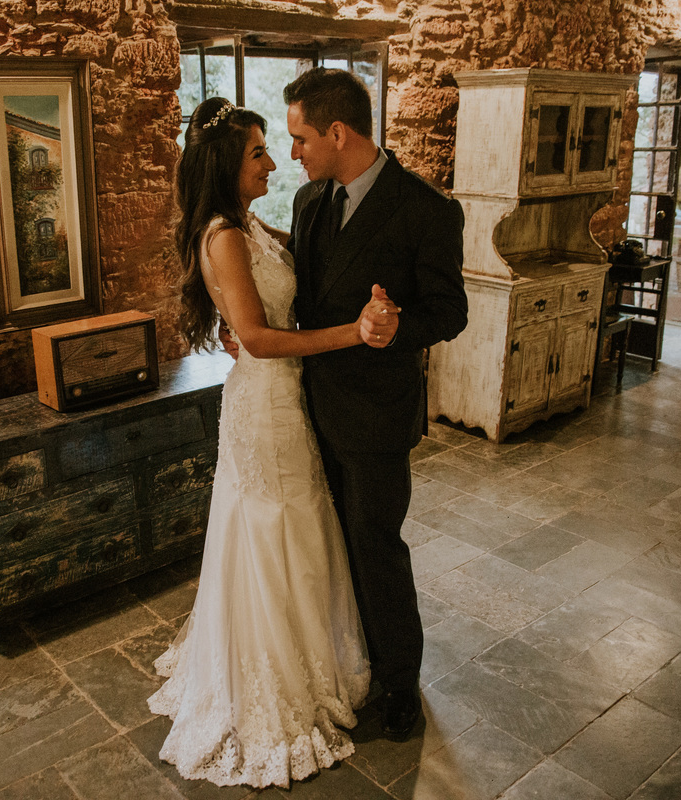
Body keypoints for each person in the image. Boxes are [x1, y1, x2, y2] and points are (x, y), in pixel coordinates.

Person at [146, 96, 397, 788]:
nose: (272, 160)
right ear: (229, 163)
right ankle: (271, 681)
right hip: (266, 406)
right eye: (259, 150)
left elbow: (296, 278)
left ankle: (309, 654)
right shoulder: (224, 236)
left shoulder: (249, 225)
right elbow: (255, 338)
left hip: (282, 403)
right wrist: (355, 333)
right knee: (274, 529)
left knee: (296, 528)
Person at [282, 67, 468, 742]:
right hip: (310, 409)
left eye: (301, 137)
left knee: (375, 548)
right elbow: (307, 296)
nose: (293, 152)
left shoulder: (426, 209)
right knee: (329, 547)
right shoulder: (307, 204)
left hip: (376, 416)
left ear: (338, 132)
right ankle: (350, 664)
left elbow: (451, 309)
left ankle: (398, 687)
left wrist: (400, 330)